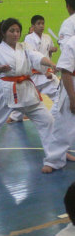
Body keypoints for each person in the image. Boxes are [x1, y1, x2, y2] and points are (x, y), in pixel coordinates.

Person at [0, 18, 56, 156]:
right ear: (4, 32)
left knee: (47, 120)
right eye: (12, 31)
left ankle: (55, 153)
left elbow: (36, 57)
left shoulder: (24, 47)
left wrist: (51, 64)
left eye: (18, 31)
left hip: (26, 89)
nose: (15, 34)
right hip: (6, 89)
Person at [8, 15, 59, 123]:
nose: (41, 26)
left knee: (60, 95)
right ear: (33, 26)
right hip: (36, 75)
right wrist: (44, 71)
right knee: (26, 100)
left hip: (47, 75)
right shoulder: (29, 38)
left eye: (43, 23)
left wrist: (53, 49)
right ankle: (15, 117)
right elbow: (33, 57)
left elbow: (47, 52)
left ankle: (51, 117)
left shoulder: (47, 37)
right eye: (38, 24)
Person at [42, 34, 75, 172]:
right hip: (72, 85)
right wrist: (72, 98)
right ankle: (54, 160)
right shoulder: (72, 43)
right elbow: (66, 72)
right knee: (64, 124)